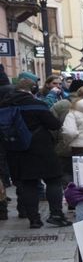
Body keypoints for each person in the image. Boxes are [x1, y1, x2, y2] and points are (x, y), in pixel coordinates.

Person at [0, 78, 70, 228]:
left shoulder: (4, 105)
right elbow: (54, 124)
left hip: (16, 149)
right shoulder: (36, 104)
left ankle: (34, 219)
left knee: (28, 184)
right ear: (32, 90)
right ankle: (56, 214)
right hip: (41, 148)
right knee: (53, 181)